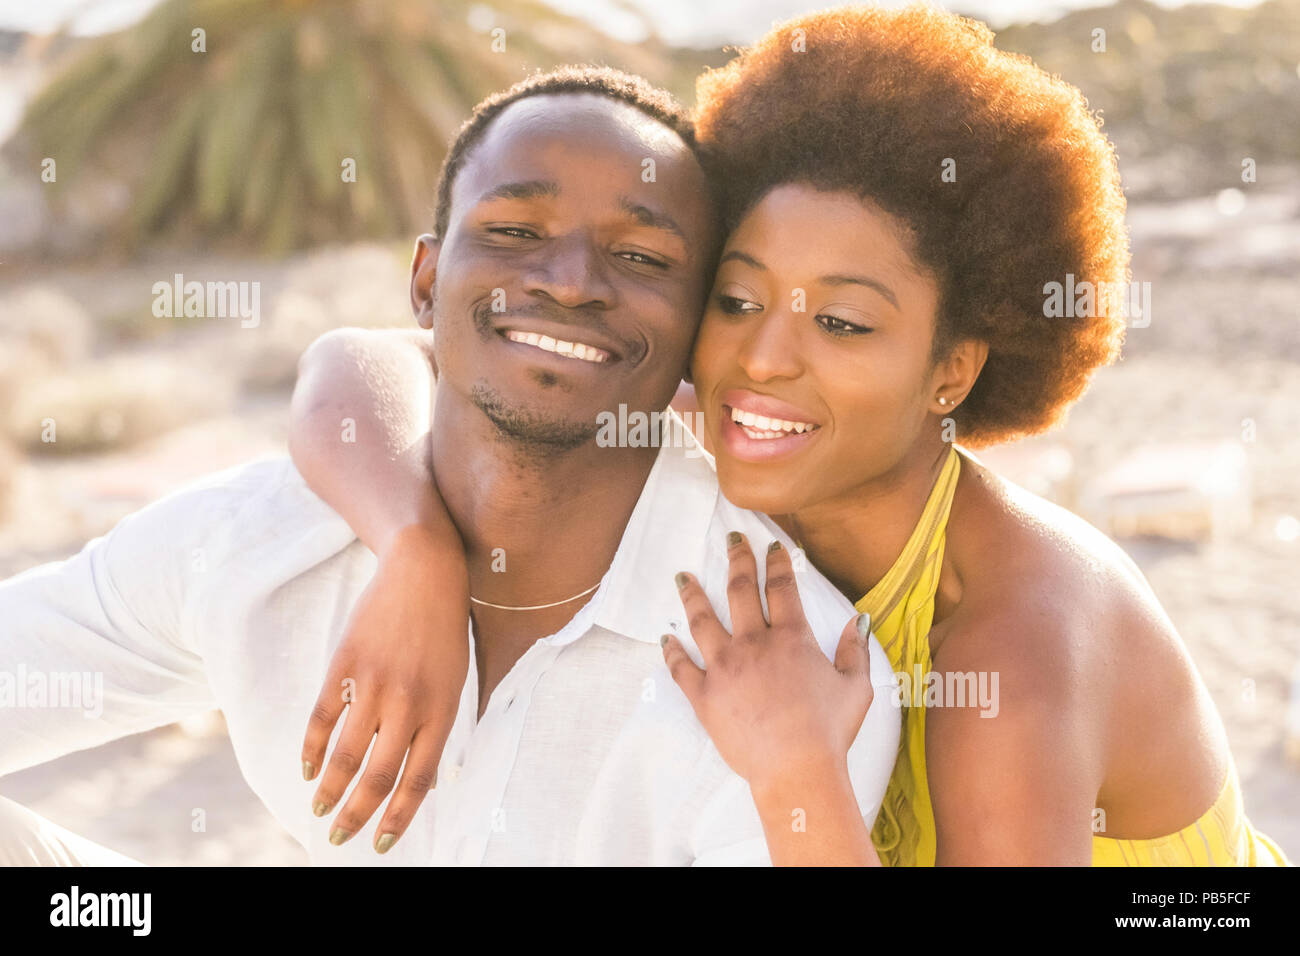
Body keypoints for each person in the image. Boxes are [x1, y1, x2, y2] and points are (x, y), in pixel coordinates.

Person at [289, 5, 1289, 865]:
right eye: (735, 298)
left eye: (843, 323)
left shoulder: (1008, 649)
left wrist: (796, 766)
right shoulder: (731, 418)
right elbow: (363, 365)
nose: (763, 359)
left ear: (951, 368)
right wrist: (411, 549)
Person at [0, 66, 900, 866]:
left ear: (698, 324)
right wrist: (415, 549)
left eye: (641, 256)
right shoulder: (257, 543)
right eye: (514, 230)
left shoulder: (793, 672)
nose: (573, 279)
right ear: (426, 283)